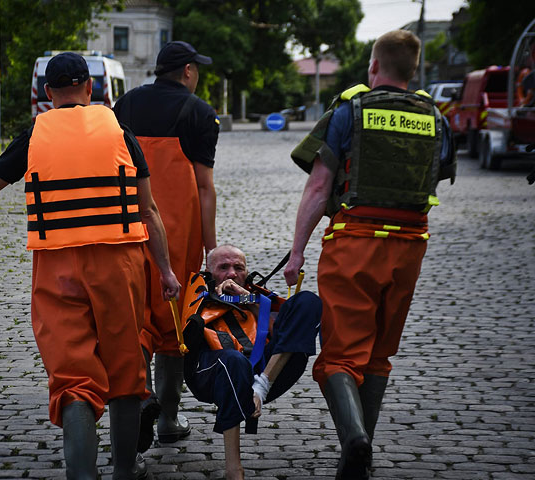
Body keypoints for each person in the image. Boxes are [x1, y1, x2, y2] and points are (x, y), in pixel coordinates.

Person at [0, 52, 181, 480]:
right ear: (91, 89)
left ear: (47, 94)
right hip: (119, 262)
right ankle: (126, 470)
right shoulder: (119, 131)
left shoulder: (35, 134)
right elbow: (148, 211)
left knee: (74, 376)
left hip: (56, 265)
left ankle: (82, 475)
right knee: (125, 369)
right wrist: (165, 271)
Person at [284, 30, 456, 480]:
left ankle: (355, 439)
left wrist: (297, 252)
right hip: (410, 247)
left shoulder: (350, 111)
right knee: (379, 353)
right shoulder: (435, 118)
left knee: (339, 355)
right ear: (413, 70)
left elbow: (319, 186)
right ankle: (357, 460)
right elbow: (437, 177)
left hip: (355, 241)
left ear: (374, 67)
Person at [113, 40, 219, 452]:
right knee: (175, 321)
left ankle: (142, 396)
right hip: (178, 234)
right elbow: (205, 187)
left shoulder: (125, 105)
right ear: (189, 71)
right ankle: (169, 419)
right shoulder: (199, 112)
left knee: (135, 315)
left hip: (129, 227)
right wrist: (210, 248)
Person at [181, 245, 322, 480]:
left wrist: (247, 299)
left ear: (246, 272)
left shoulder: (255, 295)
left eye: (238, 268)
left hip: (266, 372)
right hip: (213, 373)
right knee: (234, 362)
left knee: (307, 301)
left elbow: (286, 329)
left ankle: (262, 385)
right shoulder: (197, 295)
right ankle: (234, 470)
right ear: (209, 271)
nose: (231, 273)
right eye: (223, 267)